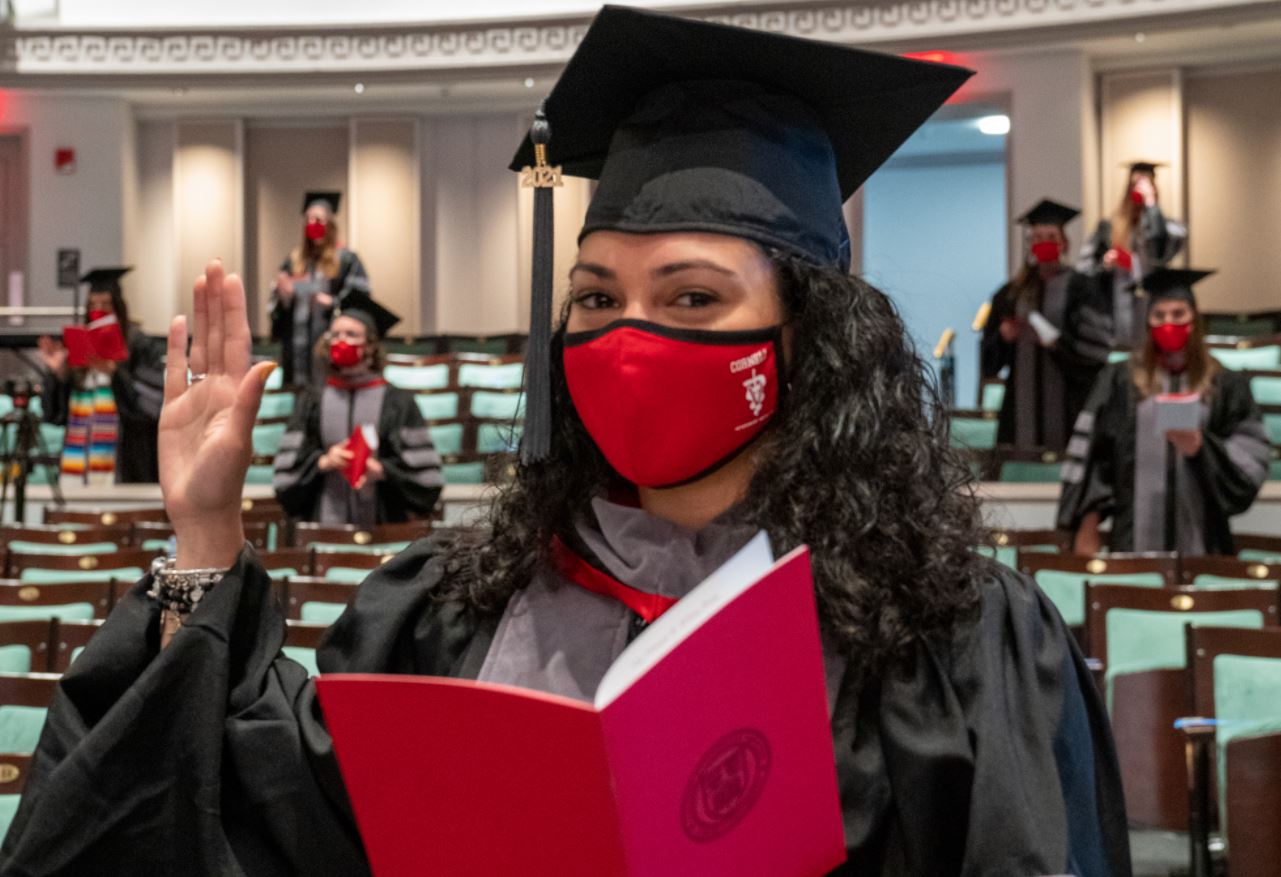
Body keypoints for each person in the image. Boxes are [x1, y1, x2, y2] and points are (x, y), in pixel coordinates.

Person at [1, 9, 1130, 876]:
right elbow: (255, 809)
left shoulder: (954, 633)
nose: (630, 340)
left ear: (812, 338)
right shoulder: (449, 606)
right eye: (595, 299)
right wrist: (204, 530)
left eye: (691, 301)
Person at [1058, 267, 1268, 555]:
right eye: (1159, 315)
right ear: (1147, 321)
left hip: (1205, 541)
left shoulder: (1226, 383)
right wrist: (1088, 524)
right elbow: (1093, 455)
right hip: (1132, 538)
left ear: (1194, 320)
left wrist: (1202, 448)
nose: (1168, 322)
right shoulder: (1120, 380)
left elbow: (1252, 456)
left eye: (1178, 314)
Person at [273, 292, 444, 525]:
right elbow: (285, 479)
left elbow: (428, 481)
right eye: (335, 335)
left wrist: (382, 470)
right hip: (323, 528)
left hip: (385, 527)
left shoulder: (398, 402)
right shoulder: (312, 400)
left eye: (351, 334)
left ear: (371, 346)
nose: (341, 340)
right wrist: (323, 462)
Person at [980, 199, 1110, 451]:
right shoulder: (1009, 294)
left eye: (1051, 236)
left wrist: (1057, 344)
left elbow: (1097, 352)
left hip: (1070, 406)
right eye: (1037, 237)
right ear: (1030, 245)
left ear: (1064, 243)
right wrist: (1003, 339)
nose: (1044, 243)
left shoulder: (1083, 288)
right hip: (1019, 409)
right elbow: (989, 363)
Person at [35, 266, 165, 483]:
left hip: (125, 464)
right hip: (78, 463)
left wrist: (115, 373)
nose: (99, 310)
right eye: (93, 304)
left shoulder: (138, 344)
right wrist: (60, 374)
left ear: (119, 308)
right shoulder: (79, 347)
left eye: (106, 304)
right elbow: (55, 415)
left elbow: (151, 406)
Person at [1078, 161, 1187, 349]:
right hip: (1114, 313)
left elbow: (1162, 251)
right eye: (1135, 184)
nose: (1140, 190)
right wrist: (1105, 264)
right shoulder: (1108, 227)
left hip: (1152, 307)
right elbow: (1084, 270)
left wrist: (1151, 204)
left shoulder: (1168, 226)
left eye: (1146, 184)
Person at [269, 191, 372, 387]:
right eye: (309, 219)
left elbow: (361, 300)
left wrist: (333, 302)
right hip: (297, 343)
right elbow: (278, 308)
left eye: (319, 219)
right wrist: (284, 295)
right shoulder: (294, 260)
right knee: (299, 392)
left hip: (327, 340)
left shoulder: (346, 258)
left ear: (330, 225)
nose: (313, 223)